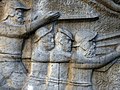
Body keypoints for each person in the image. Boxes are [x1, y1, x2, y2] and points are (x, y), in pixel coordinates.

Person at [0, 0, 60, 89]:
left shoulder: (19, 26)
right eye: (19, 12)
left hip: (16, 63)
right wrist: (44, 20)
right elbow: (22, 31)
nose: (21, 15)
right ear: (10, 12)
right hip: (4, 63)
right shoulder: (2, 26)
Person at [22, 26, 55, 90]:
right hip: (37, 84)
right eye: (49, 37)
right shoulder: (38, 54)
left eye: (52, 38)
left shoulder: (48, 53)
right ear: (41, 39)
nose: (52, 41)